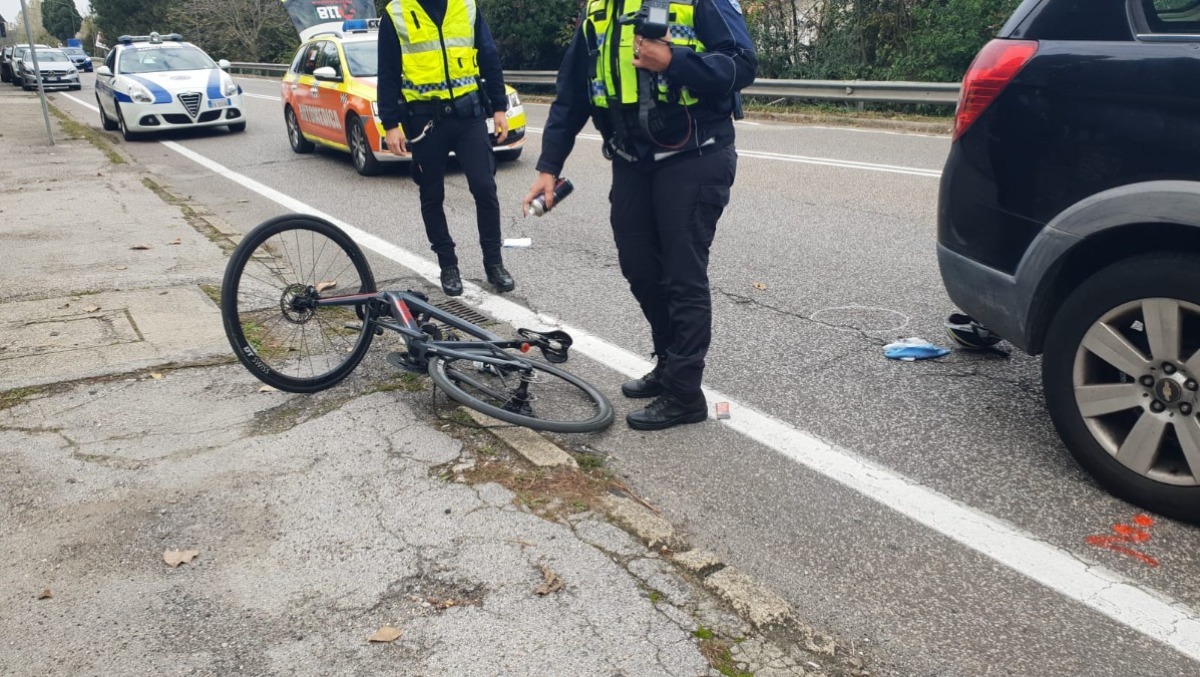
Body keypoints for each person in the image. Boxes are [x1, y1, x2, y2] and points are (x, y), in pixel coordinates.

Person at [523, 0, 756, 431]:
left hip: (695, 154)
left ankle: (685, 394)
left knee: (682, 275)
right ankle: (669, 364)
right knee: (640, 267)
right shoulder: (598, 10)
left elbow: (742, 64)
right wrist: (549, 167)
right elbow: (573, 93)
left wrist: (673, 60)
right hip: (632, 160)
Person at [378, 0, 514, 296]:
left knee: (484, 187)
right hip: (425, 119)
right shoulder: (396, 13)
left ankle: (494, 262)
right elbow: (388, 72)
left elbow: (489, 56)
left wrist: (500, 107)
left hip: (469, 115)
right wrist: (390, 124)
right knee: (432, 194)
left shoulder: (466, 6)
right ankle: (448, 265)